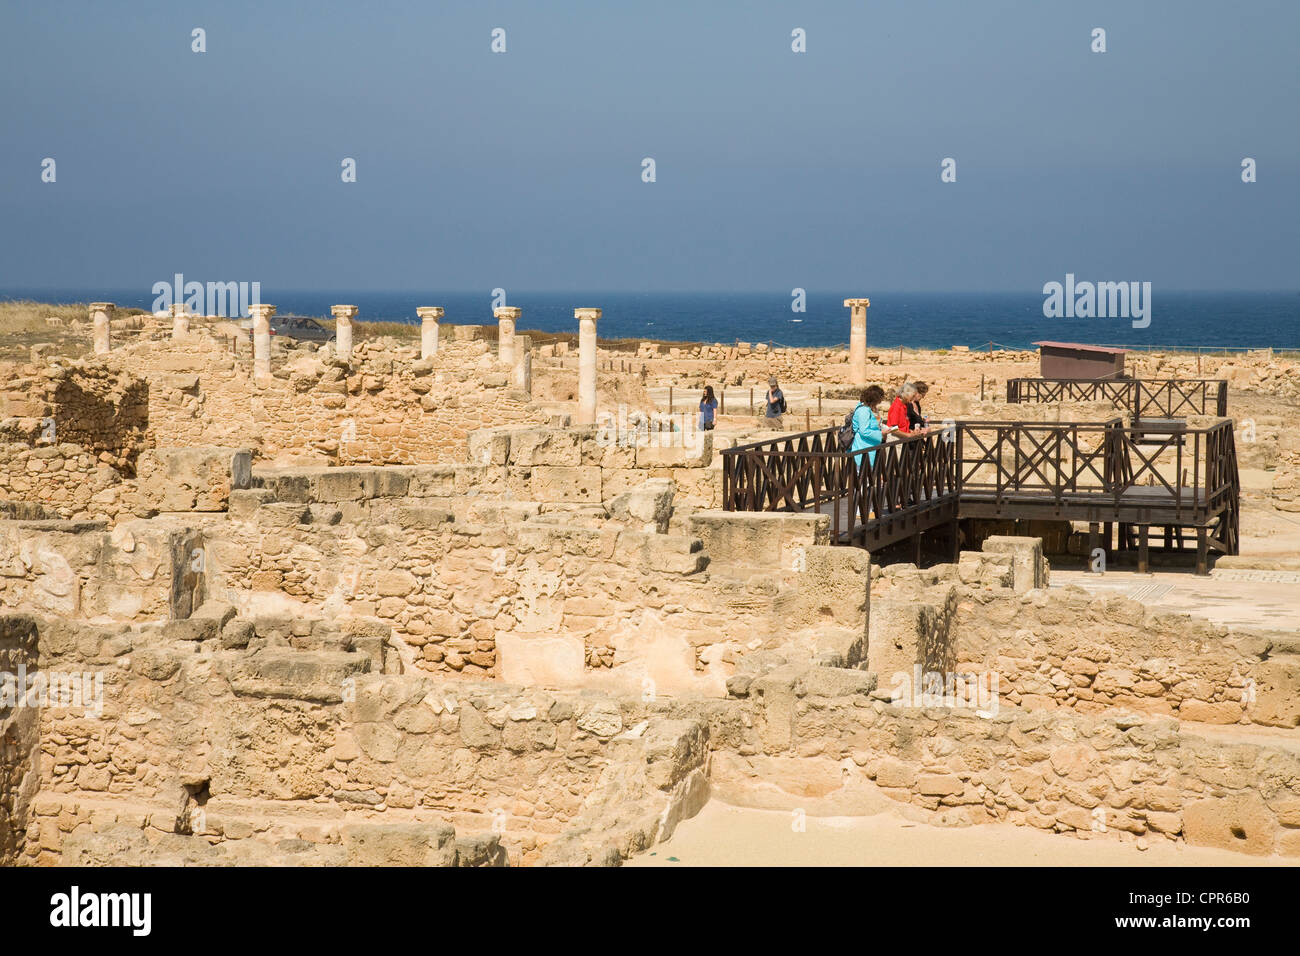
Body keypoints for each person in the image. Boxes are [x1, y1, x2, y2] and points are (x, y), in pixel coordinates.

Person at [851, 385, 890, 466]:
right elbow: (864, 431)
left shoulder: (872, 408)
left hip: (872, 446)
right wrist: (881, 434)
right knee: (863, 474)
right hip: (863, 447)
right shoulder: (863, 410)